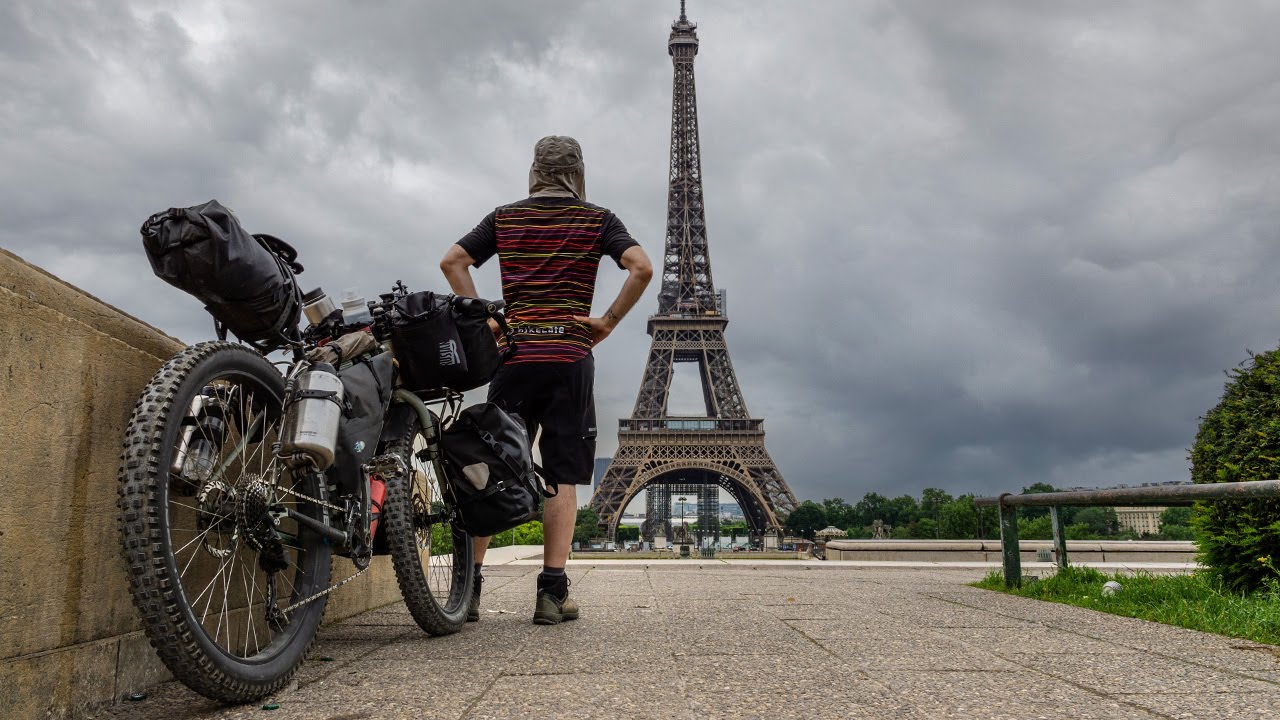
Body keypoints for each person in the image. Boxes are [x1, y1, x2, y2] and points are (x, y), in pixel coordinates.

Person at [440, 135, 653, 624]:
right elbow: (640, 267)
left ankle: (468, 591)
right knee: (561, 476)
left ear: (534, 170)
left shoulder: (504, 217)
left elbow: (452, 260)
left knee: (492, 466)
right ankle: (551, 594)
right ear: (578, 173)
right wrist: (608, 321)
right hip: (569, 358)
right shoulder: (599, 219)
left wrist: (487, 318)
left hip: (514, 357)